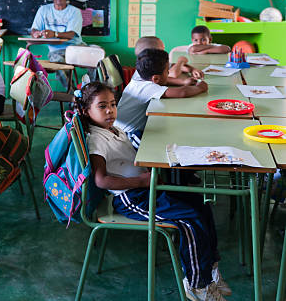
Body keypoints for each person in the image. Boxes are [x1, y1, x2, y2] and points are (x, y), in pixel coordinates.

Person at [76, 82, 230, 301]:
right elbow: (101, 180)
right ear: (86, 111)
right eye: (102, 106)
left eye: (112, 104)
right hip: (130, 198)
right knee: (189, 220)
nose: (110, 110)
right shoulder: (96, 140)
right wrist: (139, 181)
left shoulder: (113, 128)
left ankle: (211, 271)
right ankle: (198, 285)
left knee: (200, 204)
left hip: (144, 187)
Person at [114, 49, 208, 148]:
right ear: (155, 78)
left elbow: (163, 80)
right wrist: (200, 88)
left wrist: (182, 82)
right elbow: (182, 92)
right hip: (128, 135)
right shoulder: (148, 88)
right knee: (155, 148)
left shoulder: (139, 75)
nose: (168, 72)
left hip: (124, 127)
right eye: (167, 71)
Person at [30, 0, 84, 88]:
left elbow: (71, 35)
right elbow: (34, 29)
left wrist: (54, 33)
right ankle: (75, 96)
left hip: (76, 48)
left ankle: (93, 90)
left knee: (98, 55)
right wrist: (36, 33)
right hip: (57, 51)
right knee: (57, 61)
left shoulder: (75, 11)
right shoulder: (44, 10)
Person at [134, 36, 204, 85]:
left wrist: (192, 70)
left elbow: (172, 66)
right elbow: (173, 74)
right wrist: (180, 61)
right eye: (162, 50)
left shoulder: (153, 64)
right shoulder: (143, 73)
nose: (164, 52)